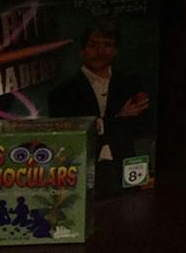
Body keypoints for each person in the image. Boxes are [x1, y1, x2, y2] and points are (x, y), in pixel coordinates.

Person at [48, 19, 150, 195]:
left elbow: (144, 127)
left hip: (127, 170)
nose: (100, 52)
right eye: (93, 45)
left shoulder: (130, 84)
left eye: (108, 45)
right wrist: (119, 119)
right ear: (82, 51)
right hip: (83, 173)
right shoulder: (62, 93)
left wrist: (103, 125)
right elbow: (70, 137)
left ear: (116, 50)